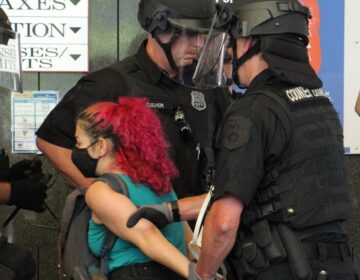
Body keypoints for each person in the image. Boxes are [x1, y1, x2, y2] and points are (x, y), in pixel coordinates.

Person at [128, 1, 358, 279]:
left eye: (233, 41)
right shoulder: (319, 104)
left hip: (282, 268)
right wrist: (168, 211)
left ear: (248, 41)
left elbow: (224, 221)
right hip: (335, 266)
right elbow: (262, 192)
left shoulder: (253, 110)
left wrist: (202, 274)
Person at [36, 0, 230, 199]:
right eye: (188, 33)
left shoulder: (206, 87)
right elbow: (51, 142)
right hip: (135, 225)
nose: (198, 43)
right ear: (157, 26)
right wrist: (106, 198)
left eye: (203, 34)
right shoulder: (110, 84)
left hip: (193, 223)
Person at [73, 97, 190, 279]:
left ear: (101, 146)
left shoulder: (101, 191)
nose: (76, 149)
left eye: (79, 142)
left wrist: (197, 276)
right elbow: (187, 239)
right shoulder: (160, 184)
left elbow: (145, 234)